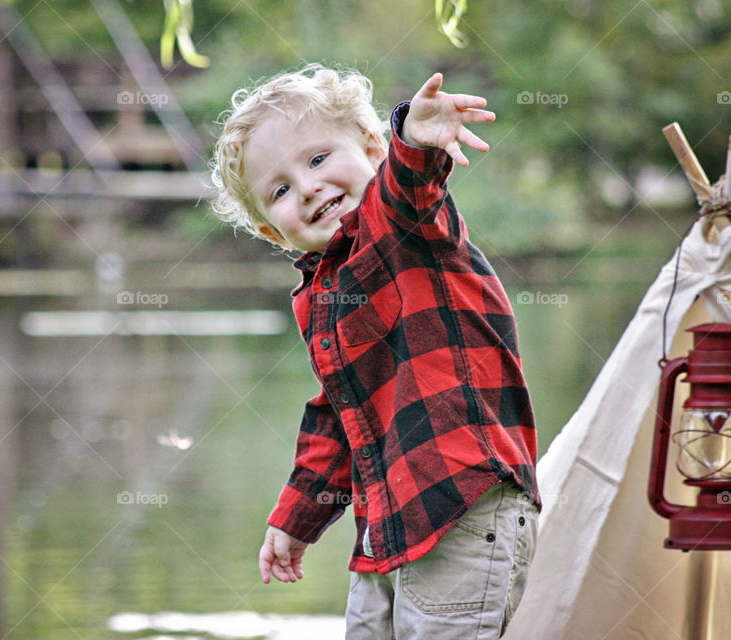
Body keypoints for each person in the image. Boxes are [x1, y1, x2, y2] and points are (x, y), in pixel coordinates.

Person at [211, 63, 539, 639]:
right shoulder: (316, 299)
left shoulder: (402, 228)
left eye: (317, 160)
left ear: (370, 148)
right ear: (272, 232)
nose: (308, 187)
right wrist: (297, 520)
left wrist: (414, 141)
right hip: (385, 531)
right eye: (280, 190)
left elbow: (407, 187)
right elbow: (337, 420)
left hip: (462, 506)